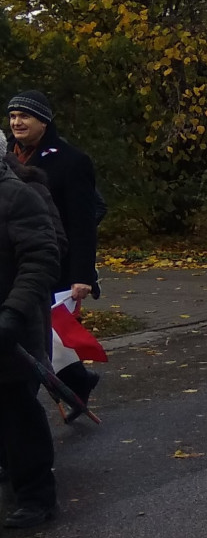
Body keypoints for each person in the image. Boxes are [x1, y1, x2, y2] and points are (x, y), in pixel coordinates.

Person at [7, 90, 100, 405]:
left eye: (25, 116)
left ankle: (61, 392)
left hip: (60, 265)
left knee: (52, 338)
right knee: (47, 341)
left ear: (43, 121)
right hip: (19, 264)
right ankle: (78, 383)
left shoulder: (71, 160)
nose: (17, 122)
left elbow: (82, 222)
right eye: (13, 116)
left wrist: (83, 275)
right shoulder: (8, 157)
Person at [0, 146, 61, 528]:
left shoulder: (19, 195)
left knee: (16, 414)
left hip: (11, 329)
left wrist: (11, 313)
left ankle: (36, 496)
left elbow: (42, 259)